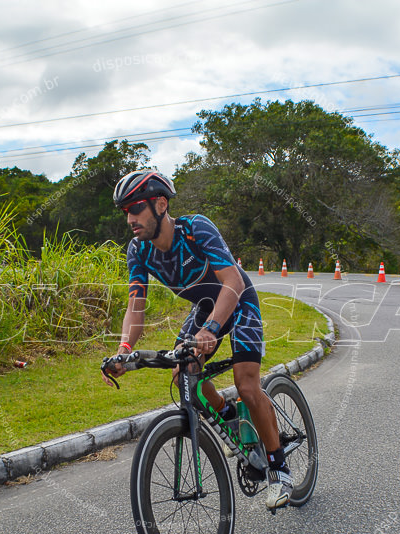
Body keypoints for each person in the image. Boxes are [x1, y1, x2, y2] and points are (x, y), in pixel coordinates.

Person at [103, 169, 291, 509]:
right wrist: (124, 351)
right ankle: (229, 414)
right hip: (206, 309)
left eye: (136, 208)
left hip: (238, 300)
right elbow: (135, 306)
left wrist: (212, 329)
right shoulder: (138, 250)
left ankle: (280, 470)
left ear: (160, 204)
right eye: (125, 211)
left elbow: (232, 282)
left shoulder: (195, 229)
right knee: (182, 374)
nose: (130, 218)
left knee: (247, 384)